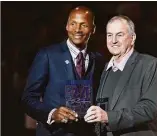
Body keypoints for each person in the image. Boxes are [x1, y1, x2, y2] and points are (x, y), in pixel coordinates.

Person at [22, 6, 105, 136]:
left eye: (83, 25)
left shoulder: (98, 59)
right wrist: (52, 113)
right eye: (73, 24)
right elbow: (28, 98)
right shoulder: (48, 55)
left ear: (93, 29)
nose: (77, 29)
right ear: (66, 26)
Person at [84, 15, 157, 136]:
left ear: (133, 38)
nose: (113, 40)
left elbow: (149, 109)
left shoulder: (149, 64)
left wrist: (108, 117)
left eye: (119, 35)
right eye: (109, 35)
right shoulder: (105, 69)